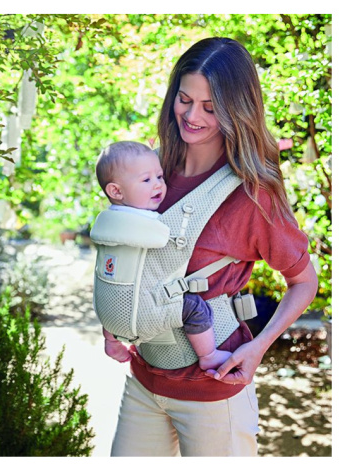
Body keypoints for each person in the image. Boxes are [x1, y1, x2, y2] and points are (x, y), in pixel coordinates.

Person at [108, 37, 318, 457]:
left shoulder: (252, 194)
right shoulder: (151, 173)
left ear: (237, 109)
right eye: (185, 100)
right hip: (145, 379)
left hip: (214, 390)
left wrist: (257, 348)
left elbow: (304, 282)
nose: (192, 116)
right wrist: (112, 325)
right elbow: (122, 258)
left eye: (210, 107)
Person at [94, 140, 232, 370]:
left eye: (159, 176)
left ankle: (112, 342)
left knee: (116, 287)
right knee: (194, 308)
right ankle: (208, 355)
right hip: (145, 316)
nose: (158, 184)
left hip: (109, 314)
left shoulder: (108, 221)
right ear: (116, 191)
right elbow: (170, 237)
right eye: (146, 180)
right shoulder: (147, 224)